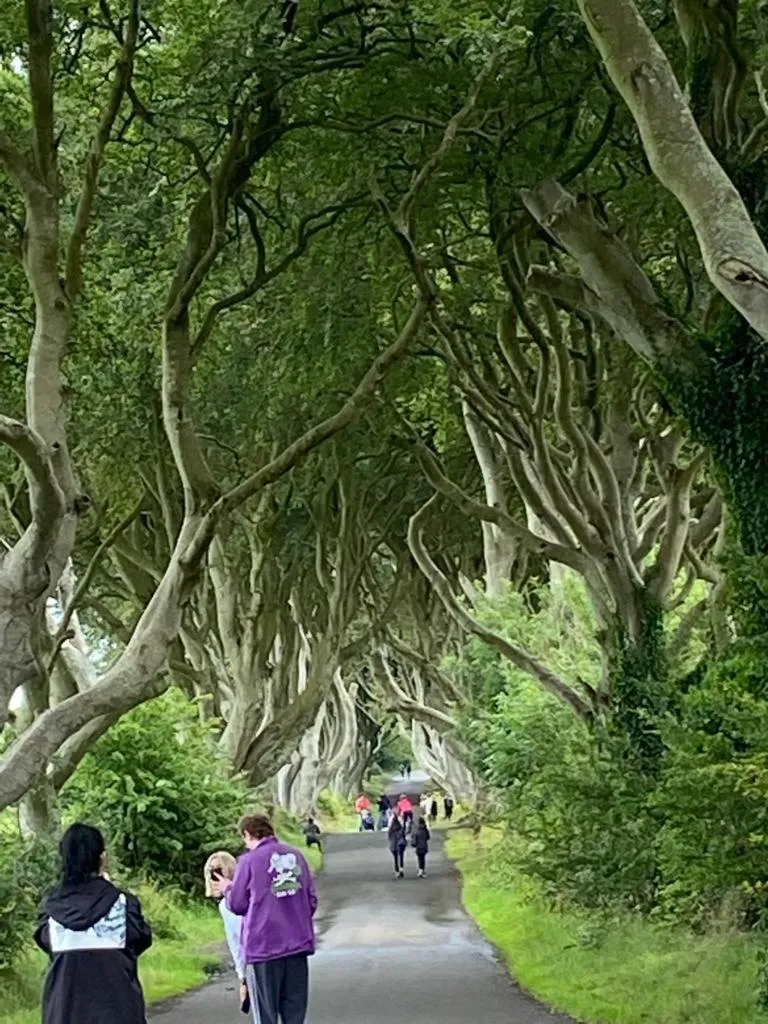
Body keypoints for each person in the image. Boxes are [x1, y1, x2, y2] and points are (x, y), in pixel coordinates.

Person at [34, 823, 152, 1024]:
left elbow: (47, 945)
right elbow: (140, 940)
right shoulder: (124, 904)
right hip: (119, 1012)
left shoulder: (51, 908)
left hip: (64, 1013)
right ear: (102, 858)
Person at [217, 814, 317, 1024]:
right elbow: (311, 900)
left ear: (247, 834)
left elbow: (237, 904)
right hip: (297, 945)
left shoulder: (249, 861)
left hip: (263, 948)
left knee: (266, 1014)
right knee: (295, 1014)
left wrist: (228, 887)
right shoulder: (296, 855)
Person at [204, 851, 248, 1013]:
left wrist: (243, 976)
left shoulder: (228, 904)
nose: (213, 877)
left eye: (218, 871)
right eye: (211, 872)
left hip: (255, 960)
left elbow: (238, 941)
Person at [388, 812, 407, 879]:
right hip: (400, 844)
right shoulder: (400, 827)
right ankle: (401, 868)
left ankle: (397, 872)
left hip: (393, 845)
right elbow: (403, 835)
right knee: (401, 856)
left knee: (395, 859)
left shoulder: (391, 829)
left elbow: (389, 837)